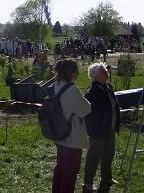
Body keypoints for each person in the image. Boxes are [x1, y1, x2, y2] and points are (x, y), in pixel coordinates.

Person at [52, 59, 91, 193]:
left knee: (60, 168)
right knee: (70, 171)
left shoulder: (56, 85)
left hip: (59, 131)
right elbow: (86, 109)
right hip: (72, 135)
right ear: (71, 73)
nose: (78, 74)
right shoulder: (72, 89)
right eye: (76, 71)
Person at [83, 63, 120, 192]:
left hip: (110, 128)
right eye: (103, 71)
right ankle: (88, 183)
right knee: (93, 157)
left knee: (108, 154)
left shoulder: (108, 87)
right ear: (96, 76)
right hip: (98, 131)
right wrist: (94, 127)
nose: (106, 72)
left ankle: (106, 177)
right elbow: (86, 111)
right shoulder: (92, 91)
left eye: (105, 70)